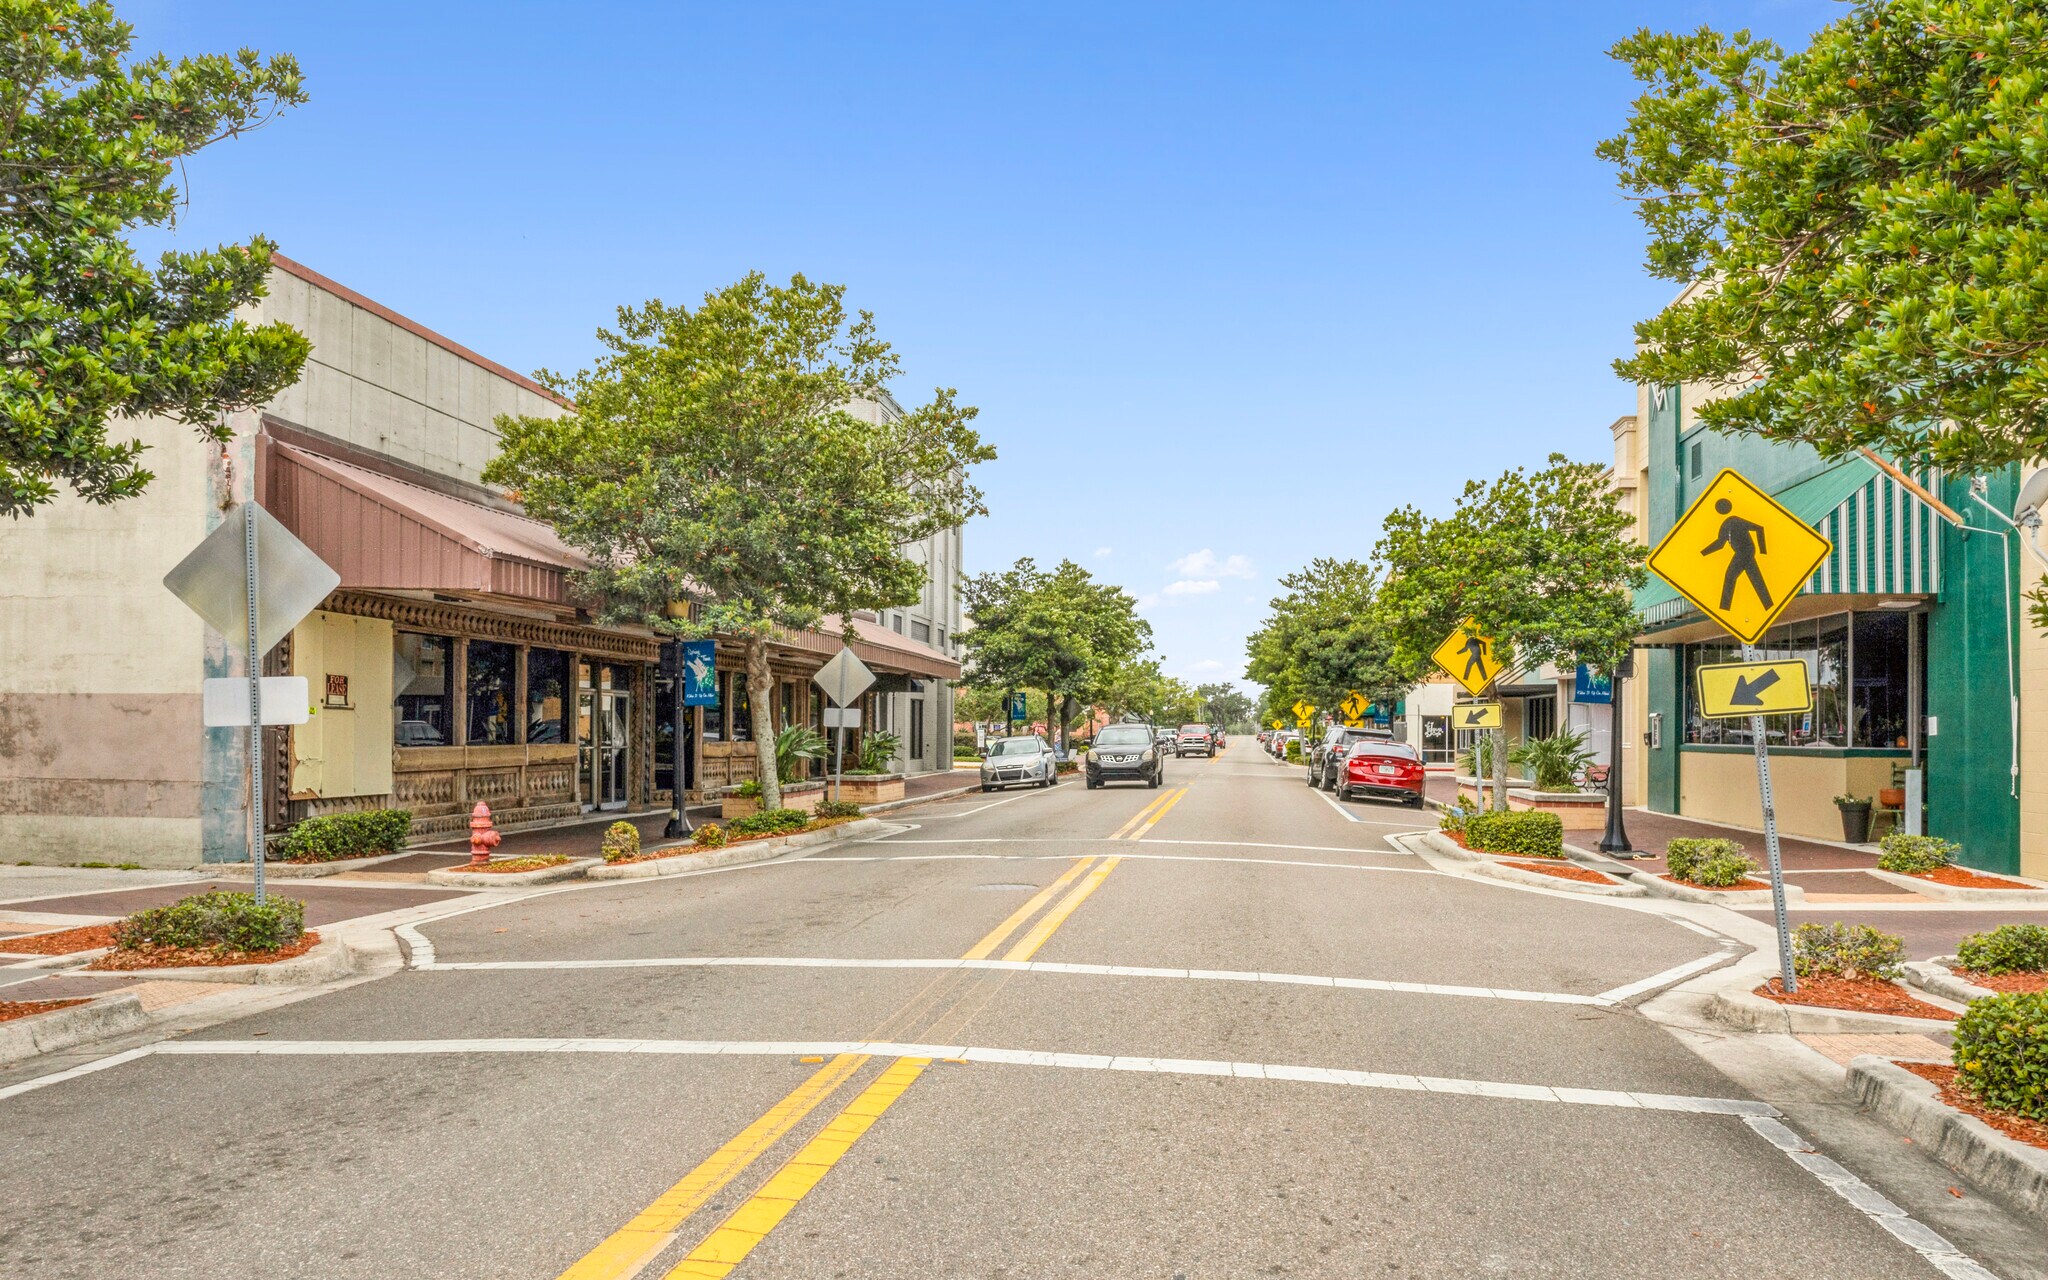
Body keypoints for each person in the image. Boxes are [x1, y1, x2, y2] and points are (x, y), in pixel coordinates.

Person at [1703, 497, 1771, 610]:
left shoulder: (1735, 520)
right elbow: (1720, 543)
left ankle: (1725, 607)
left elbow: (1759, 528)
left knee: (1730, 576)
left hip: (1745, 551)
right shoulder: (1725, 525)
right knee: (1755, 578)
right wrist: (1703, 553)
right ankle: (1768, 604)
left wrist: (1763, 550)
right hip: (1742, 552)